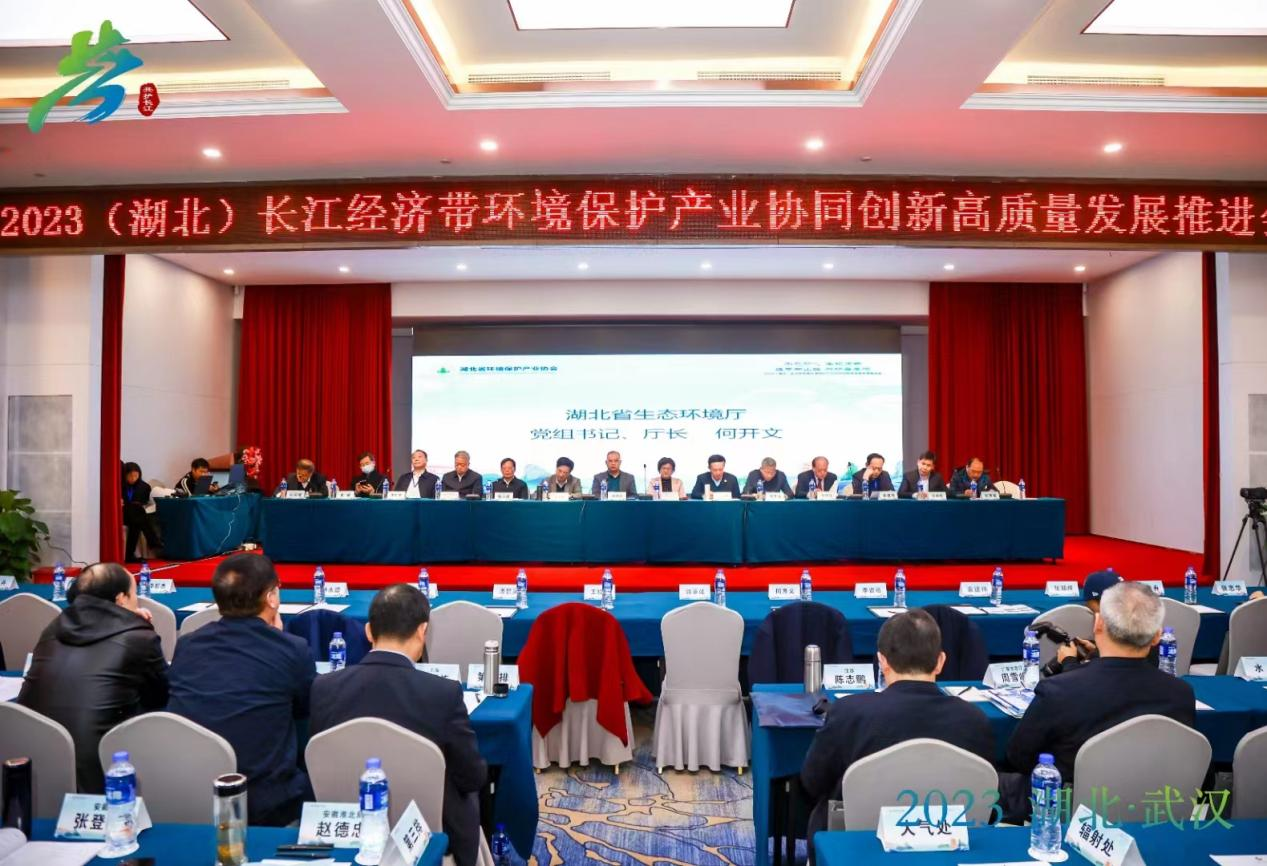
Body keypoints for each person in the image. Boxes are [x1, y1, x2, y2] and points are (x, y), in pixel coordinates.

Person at [310, 585, 488, 866]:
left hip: (348, 836)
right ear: (422, 631)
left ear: (369, 631)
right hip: (430, 835)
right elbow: (472, 777)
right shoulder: (443, 694)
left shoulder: (323, 688)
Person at [799, 609, 995, 848]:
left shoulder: (849, 713)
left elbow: (812, 781)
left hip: (858, 843)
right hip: (948, 843)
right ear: (941, 661)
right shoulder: (975, 720)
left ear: (882, 661)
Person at [1004, 581, 1196, 810]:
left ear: (1098, 624)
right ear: (1157, 636)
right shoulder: (1181, 694)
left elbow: (1018, 757)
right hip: (1154, 805)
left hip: (1069, 809)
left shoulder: (1058, 690)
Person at [167, 553, 315, 826]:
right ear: (271, 598)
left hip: (194, 796)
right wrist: (279, 637)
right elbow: (305, 710)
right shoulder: (291, 649)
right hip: (265, 804)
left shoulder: (188, 645)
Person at [19, 562, 167, 793]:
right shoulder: (139, 638)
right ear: (121, 599)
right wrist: (137, 625)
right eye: (135, 594)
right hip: (103, 775)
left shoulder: (53, 629)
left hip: (30, 768)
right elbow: (161, 697)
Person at [121, 462, 161, 561]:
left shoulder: (144, 487)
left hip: (135, 516)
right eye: (130, 476)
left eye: (136, 476)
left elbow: (144, 502)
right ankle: (153, 541)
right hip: (123, 514)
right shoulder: (119, 486)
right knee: (137, 512)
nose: (133, 478)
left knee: (136, 521)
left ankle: (129, 556)